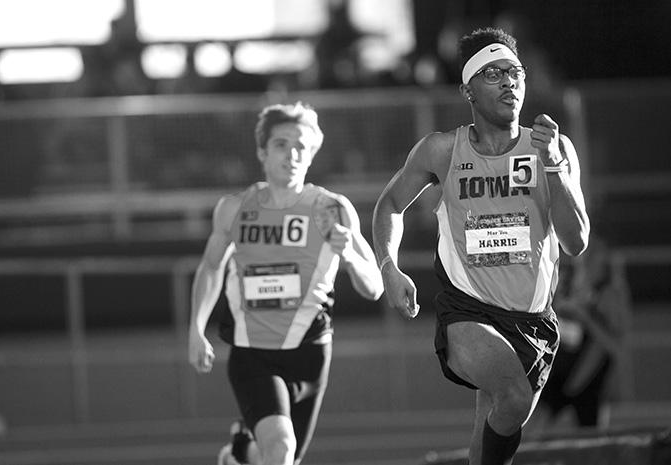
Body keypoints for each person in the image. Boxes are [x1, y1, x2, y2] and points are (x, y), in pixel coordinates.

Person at [372, 27, 590, 465]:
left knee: (490, 435)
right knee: (513, 397)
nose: (509, 82)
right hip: (466, 311)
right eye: (494, 74)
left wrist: (553, 169)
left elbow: (576, 241)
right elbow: (390, 204)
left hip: (532, 321)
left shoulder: (553, 148)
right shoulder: (440, 150)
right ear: (467, 89)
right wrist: (388, 266)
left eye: (516, 72)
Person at [188, 102, 383, 465]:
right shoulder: (234, 209)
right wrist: (196, 329)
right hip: (252, 354)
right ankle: (247, 448)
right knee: (281, 449)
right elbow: (211, 267)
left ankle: (239, 452)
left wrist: (351, 257)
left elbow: (374, 288)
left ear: (311, 154)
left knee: (280, 458)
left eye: (301, 147)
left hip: (310, 354)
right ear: (262, 151)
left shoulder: (332, 209)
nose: (292, 154)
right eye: (281, 144)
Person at [532, 235, 630, 431]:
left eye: (592, 258)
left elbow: (615, 346)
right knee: (535, 433)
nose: (584, 262)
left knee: (593, 443)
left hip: (589, 379)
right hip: (562, 372)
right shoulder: (566, 284)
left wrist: (584, 318)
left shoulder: (609, 296)